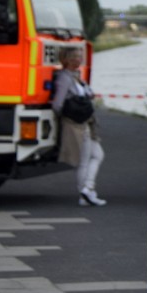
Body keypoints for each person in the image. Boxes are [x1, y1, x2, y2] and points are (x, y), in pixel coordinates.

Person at [51, 45, 106, 207]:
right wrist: (71, 115)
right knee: (85, 159)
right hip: (76, 125)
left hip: (86, 124)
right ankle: (86, 192)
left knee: (97, 155)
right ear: (66, 59)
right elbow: (57, 104)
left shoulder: (77, 77)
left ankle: (87, 189)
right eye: (75, 57)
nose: (79, 59)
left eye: (80, 56)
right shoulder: (65, 78)